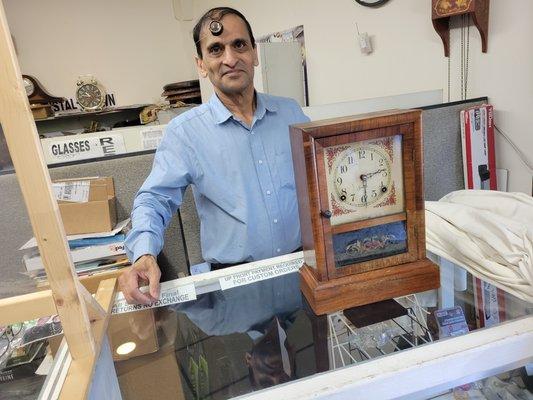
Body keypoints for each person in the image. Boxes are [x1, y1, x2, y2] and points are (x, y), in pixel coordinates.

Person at [119, 7, 310, 305]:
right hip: (235, 285)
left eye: (239, 45)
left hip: (301, 269)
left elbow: (319, 181)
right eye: (216, 49)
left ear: (255, 53)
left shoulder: (291, 113)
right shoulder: (186, 133)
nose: (230, 59)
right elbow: (153, 200)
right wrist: (144, 253)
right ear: (201, 64)